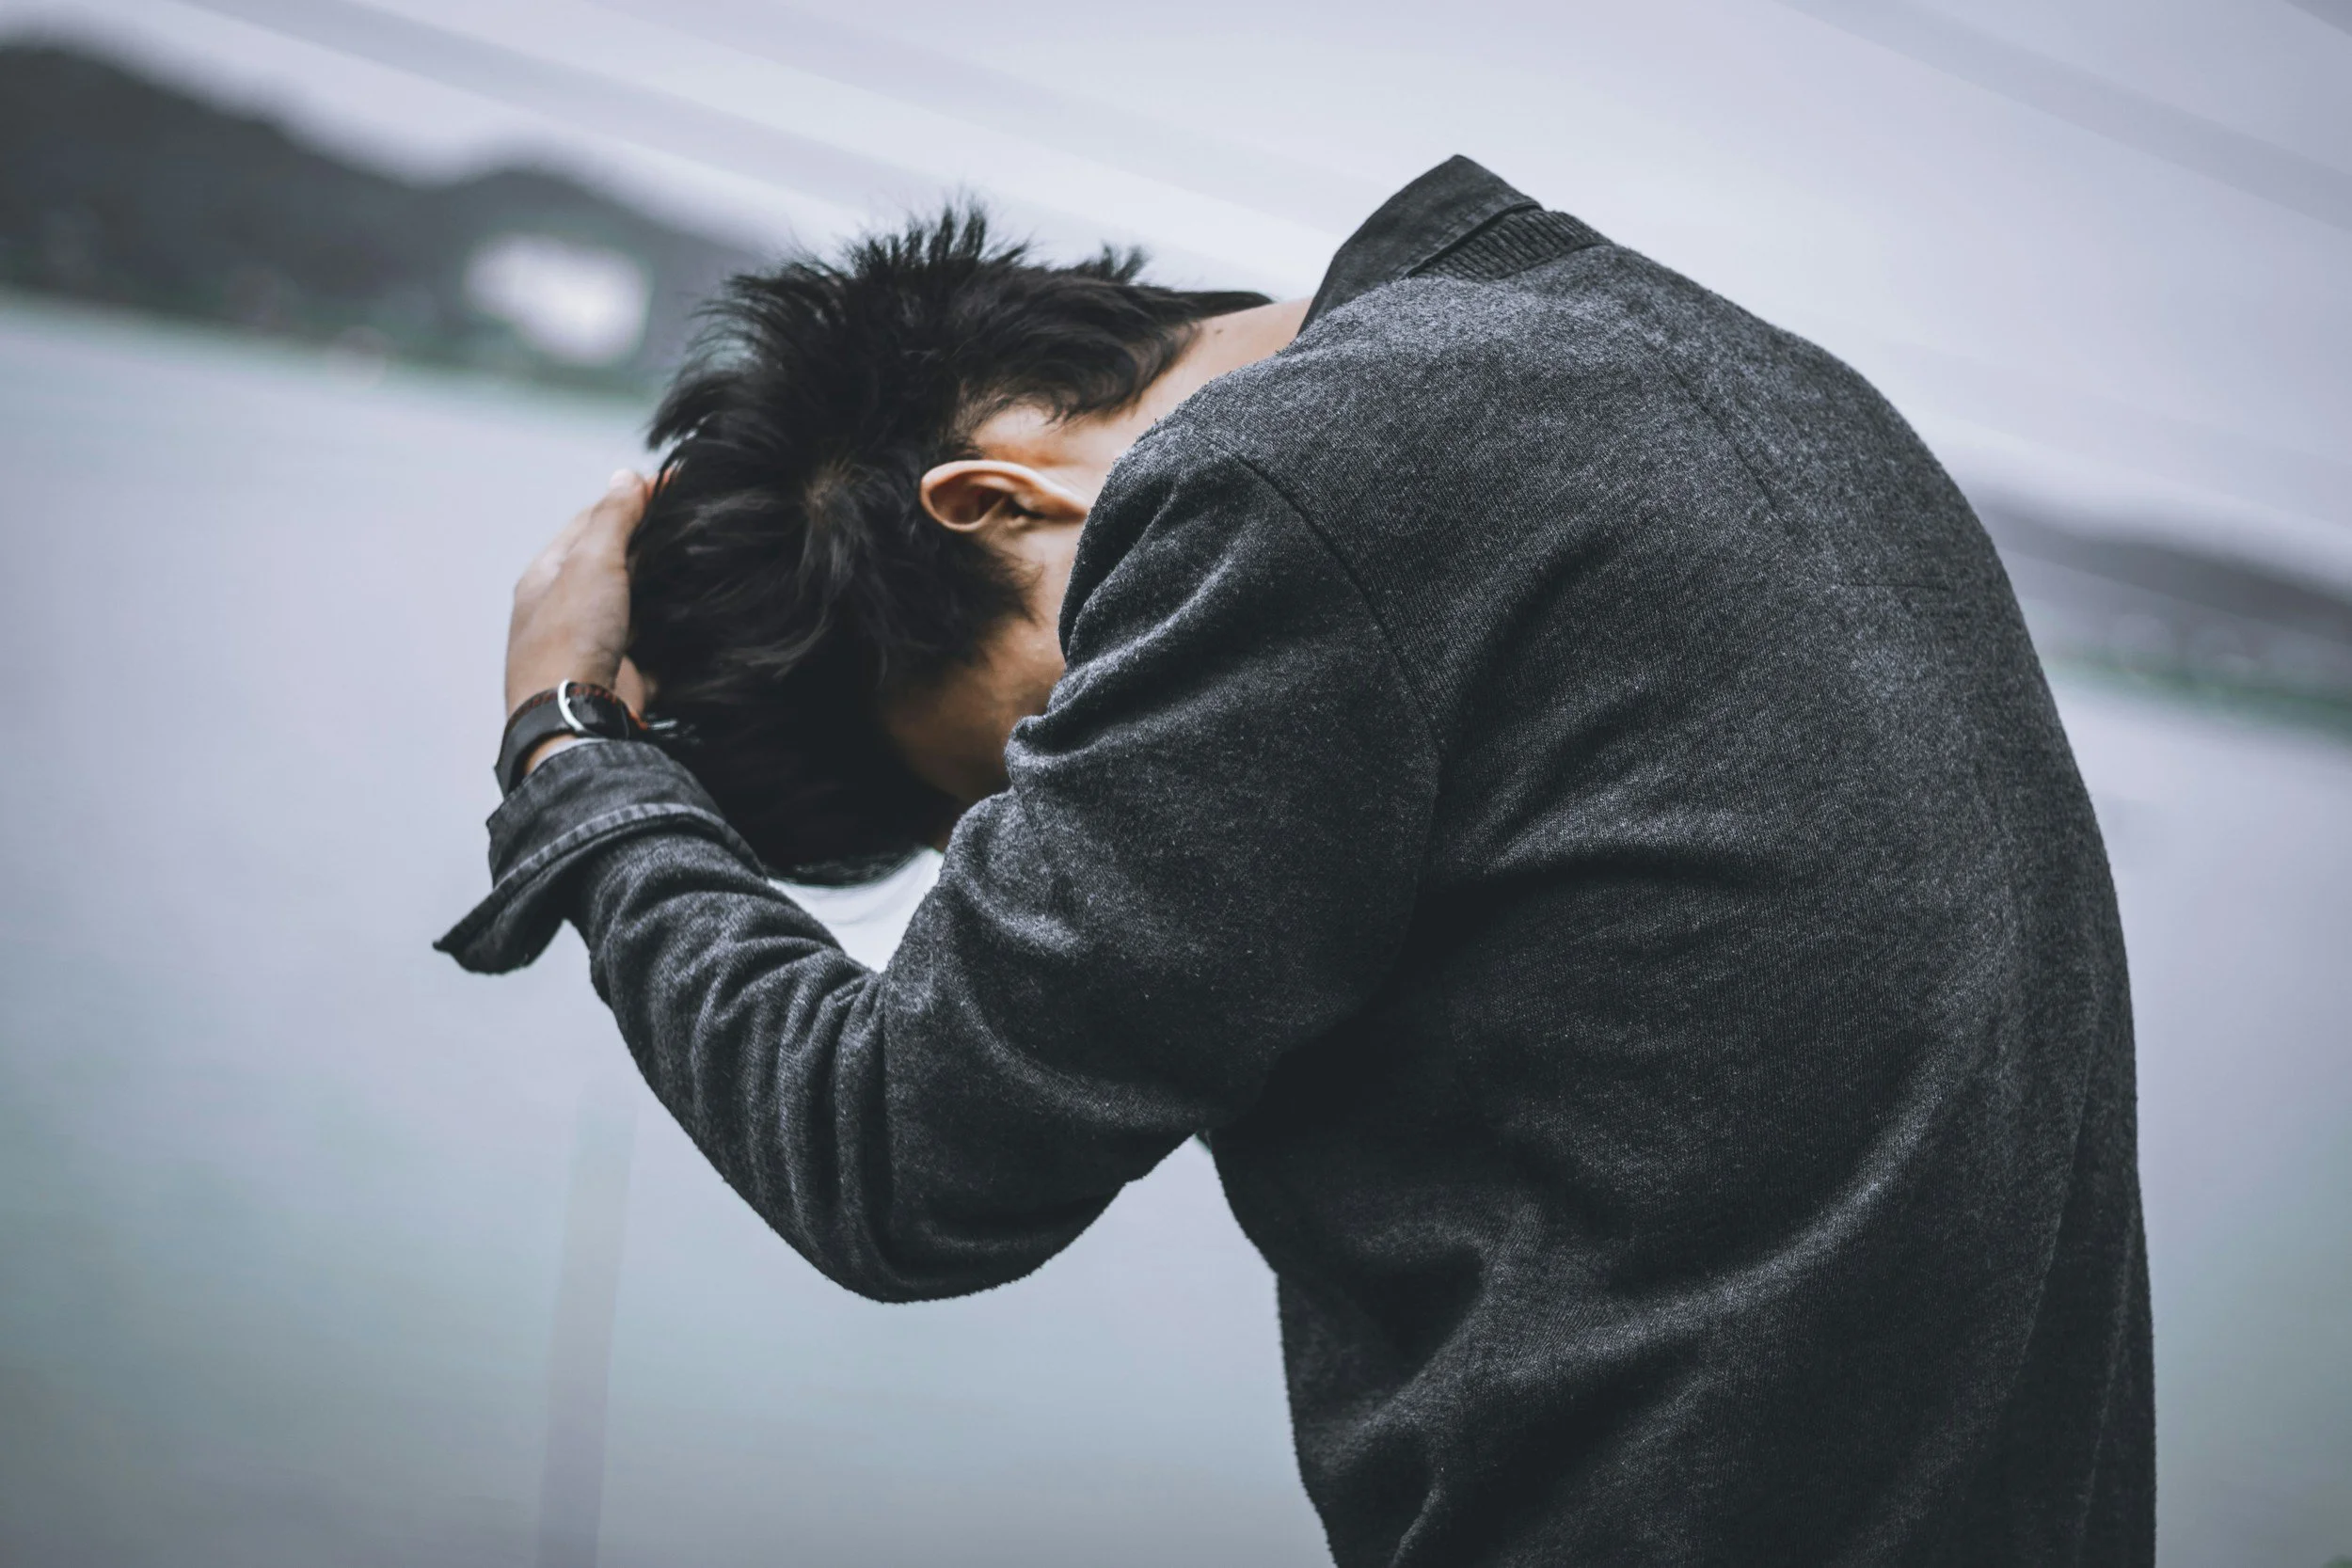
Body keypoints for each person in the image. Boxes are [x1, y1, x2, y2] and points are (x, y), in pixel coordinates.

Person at [439, 157, 2153, 1565]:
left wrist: (575, 754)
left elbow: (897, 1155)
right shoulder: (1755, 382)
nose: (1076, 811)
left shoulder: (1284, 487)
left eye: (1047, 750)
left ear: (990, 502)